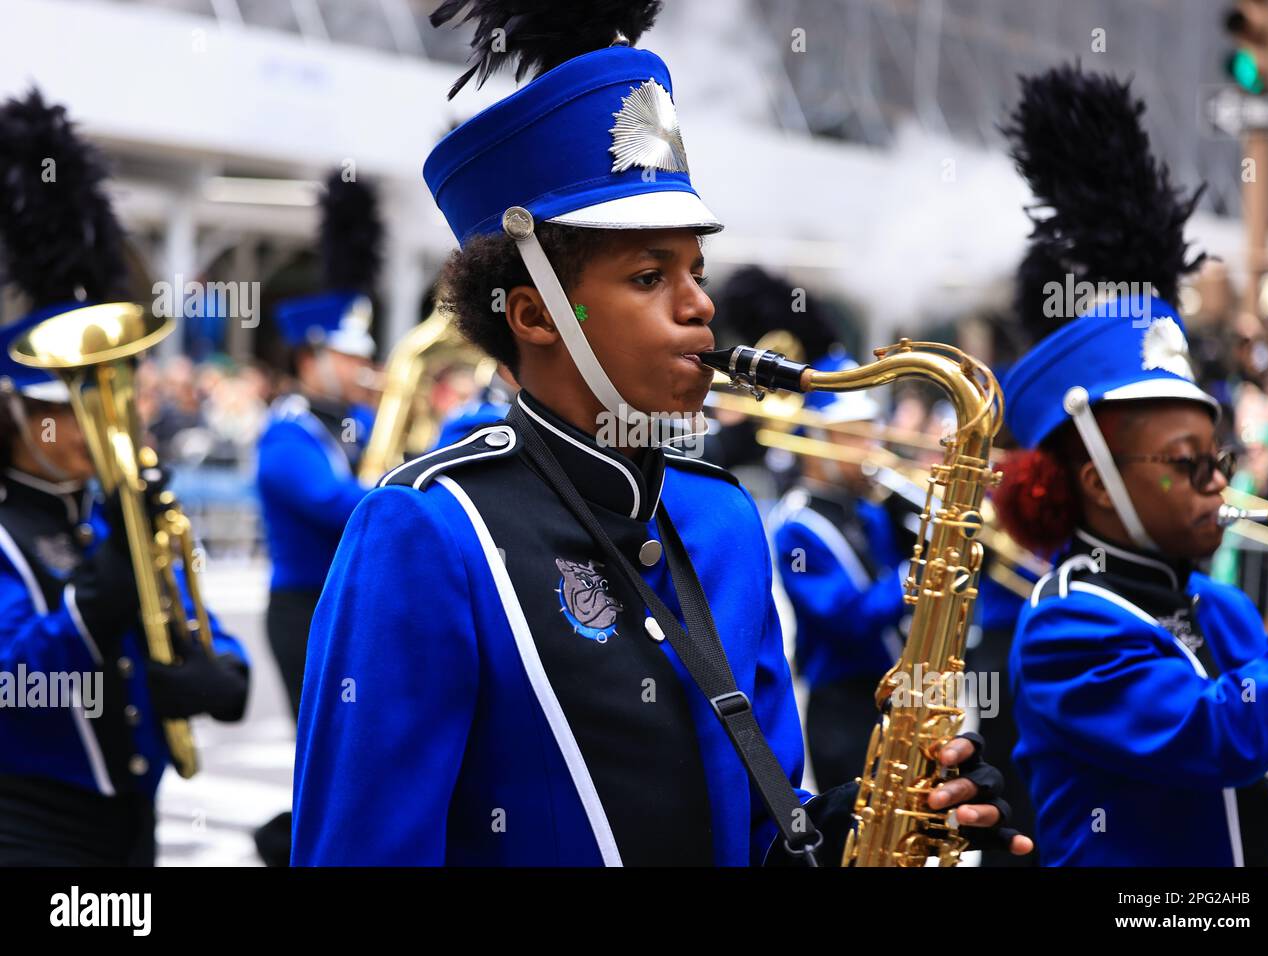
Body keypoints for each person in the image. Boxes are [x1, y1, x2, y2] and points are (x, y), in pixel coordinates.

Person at [292, 1, 1030, 866]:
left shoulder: (721, 519)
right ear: (534, 313)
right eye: (651, 274)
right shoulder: (428, 529)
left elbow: (759, 829)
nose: (700, 305)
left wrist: (854, 829)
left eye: (696, 269)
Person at [993, 64, 1268, 866]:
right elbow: (1221, 732)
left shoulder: (1222, 607)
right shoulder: (1067, 626)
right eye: (1186, 464)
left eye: (1217, 459)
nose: (1217, 483)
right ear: (1098, 480)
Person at [0, 89, 249, 866]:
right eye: (67, 408)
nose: (93, 428)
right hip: (29, 825)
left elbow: (172, 603)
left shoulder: (112, 506)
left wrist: (220, 665)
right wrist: (93, 608)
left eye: (105, 400)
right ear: (14, 411)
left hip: (132, 825)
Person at [253, 174, 381, 863]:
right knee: (327, 745)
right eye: (348, 356)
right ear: (311, 357)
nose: (363, 367)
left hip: (356, 602)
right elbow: (340, 504)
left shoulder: (361, 420)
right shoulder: (287, 433)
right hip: (302, 607)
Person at [768, 384, 908, 792]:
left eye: (872, 432)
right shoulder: (796, 525)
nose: (872, 448)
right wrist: (915, 574)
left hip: (894, 693)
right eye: (856, 435)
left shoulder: (868, 510)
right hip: (843, 703)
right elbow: (846, 618)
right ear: (817, 443)